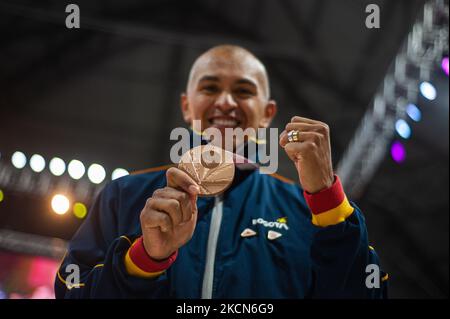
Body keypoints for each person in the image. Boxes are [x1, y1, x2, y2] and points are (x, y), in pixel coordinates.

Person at [55, 45, 387, 298]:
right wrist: (145, 259)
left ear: (267, 113)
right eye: (210, 88)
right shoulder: (124, 195)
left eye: (243, 91)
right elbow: (71, 290)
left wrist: (327, 197)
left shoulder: (307, 210)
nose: (226, 101)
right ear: (187, 106)